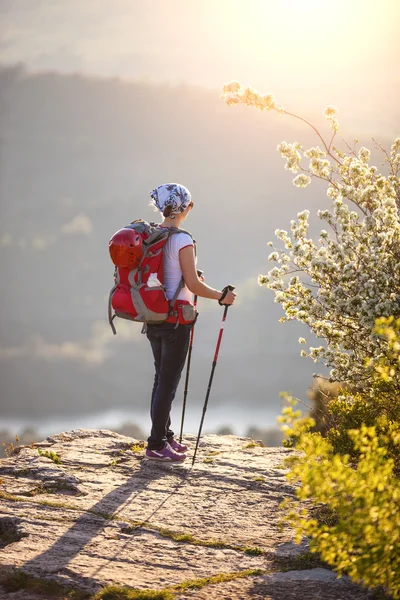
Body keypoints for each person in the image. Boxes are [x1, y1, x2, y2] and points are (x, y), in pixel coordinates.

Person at [145, 183, 236, 462]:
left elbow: (174, 274)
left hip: (153, 316)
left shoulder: (152, 234)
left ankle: (166, 435)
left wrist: (188, 274)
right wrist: (222, 296)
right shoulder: (183, 239)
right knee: (168, 383)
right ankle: (156, 444)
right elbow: (195, 286)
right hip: (175, 321)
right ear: (186, 208)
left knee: (161, 380)